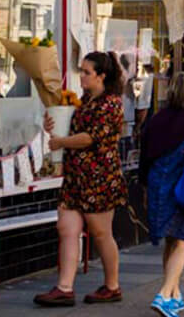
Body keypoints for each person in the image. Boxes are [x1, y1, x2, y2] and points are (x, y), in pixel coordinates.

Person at [35, 52, 128, 306]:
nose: (82, 76)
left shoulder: (111, 104)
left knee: (100, 233)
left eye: (87, 72)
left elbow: (92, 138)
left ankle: (112, 285)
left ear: (101, 76)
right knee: (66, 228)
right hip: (76, 176)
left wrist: (62, 142)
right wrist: (52, 123)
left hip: (98, 178)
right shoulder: (83, 101)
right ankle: (64, 287)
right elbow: (73, 128)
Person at [139, 72, 184, 316]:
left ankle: (175, 294)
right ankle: (163, 294)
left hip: (159, 189)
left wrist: (145, 190)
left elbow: (145, 159)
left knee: (171, 242)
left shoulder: (155, 121)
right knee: (183, 243)